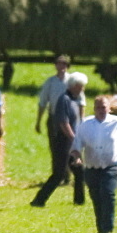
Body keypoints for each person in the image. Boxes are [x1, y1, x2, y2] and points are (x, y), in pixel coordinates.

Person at [69, 96, 117, 233]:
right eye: (98, 107)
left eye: (104, 107)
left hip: (111, 167)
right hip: (92, 167)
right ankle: (100, 227)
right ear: (94, 109)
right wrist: (77, 157)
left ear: (109, 108)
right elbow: (77, 143)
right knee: (96, 197)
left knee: (108, 194)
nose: (101, 110)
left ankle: (108, 229)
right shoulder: (86, 124)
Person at [30, 71, 88, 207]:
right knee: (59, 174)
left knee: (79, 171)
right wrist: (73, 138)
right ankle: (39, 200)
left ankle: (79, 201)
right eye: (80, 86)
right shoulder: (64, 100)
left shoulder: (74, 100)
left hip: (71, 141)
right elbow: (63, 123)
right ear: (73, 86)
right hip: (63, 141)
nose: (82, 89)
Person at [35, 55, 84, 188]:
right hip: (54, 119)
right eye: (59, 64)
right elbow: (43, 102)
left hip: (71, 119)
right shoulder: (50, 82)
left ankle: (68, 175)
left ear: (67, 66)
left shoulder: (73, 80)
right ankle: (58, 174)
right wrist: (38, 121)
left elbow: (81, 102)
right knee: (56, 148)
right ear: (55, 65)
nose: (61, 67)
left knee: (71, 147)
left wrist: (81, 121)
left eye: (64, 64)